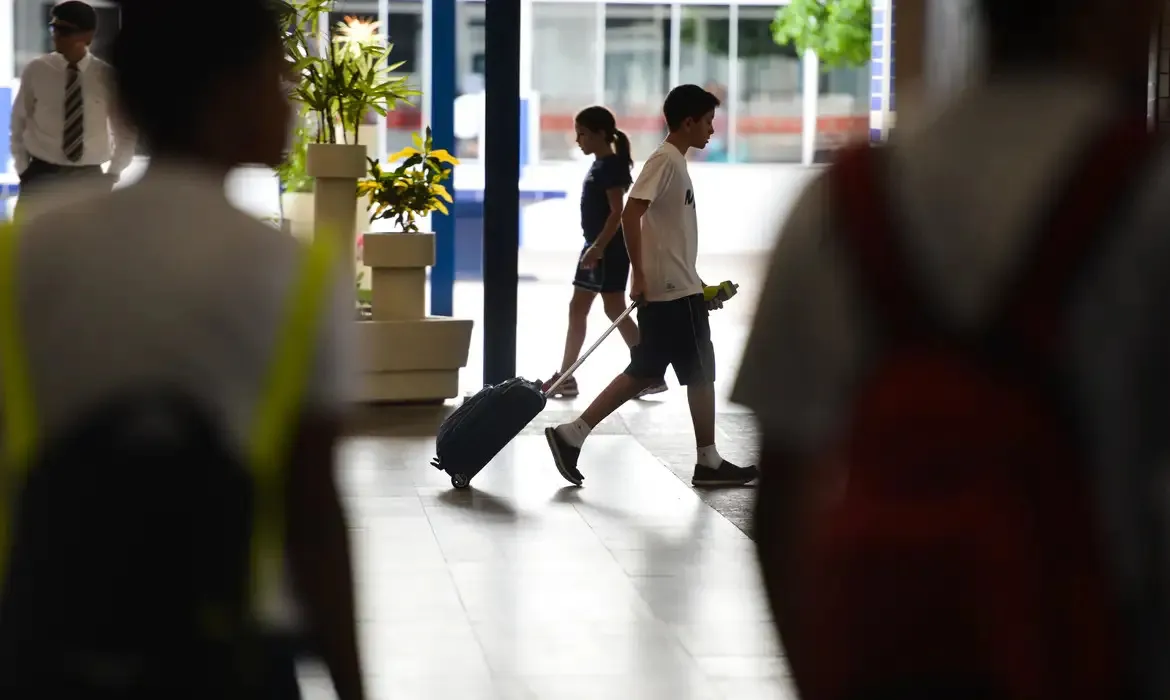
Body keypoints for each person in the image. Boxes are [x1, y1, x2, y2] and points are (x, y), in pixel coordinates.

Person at [735, 0, 1170, 697]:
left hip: (891, 653)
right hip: (1095, 651)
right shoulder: (1151, 196)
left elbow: (783, 503)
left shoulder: (837, 203)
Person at [0, 1, 363, 699]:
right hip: (229, 639)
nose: (289, 101)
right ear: (229, 95)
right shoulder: (293, 272)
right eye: (276, 80)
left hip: (44, 630)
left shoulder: (23, 253)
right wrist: (352, 686)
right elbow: (312, 513)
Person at [545, 84, 759, 488]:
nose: (712, 130)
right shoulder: (665, 160)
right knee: (699, 372)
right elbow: (630, 213)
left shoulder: (674, 162)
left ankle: (572, 435)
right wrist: (639, 275)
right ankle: (708, 461)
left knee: (645, 371)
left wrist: (699, 286)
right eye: (708, 121)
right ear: (688, 122)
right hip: (670, 292)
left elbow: (668, 238)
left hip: (679, 288)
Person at [542, 105, 666, 399]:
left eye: (583, 134)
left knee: (600, 308)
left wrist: (597, 247)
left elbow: (617, 212)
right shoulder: (601, 165)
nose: (578, 140)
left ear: (600, 134)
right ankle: (646, 371)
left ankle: (647, 371)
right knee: (599, 309)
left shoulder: (611, 167)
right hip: (597, 247)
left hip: (605, 250)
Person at [9, 1, 135, 218]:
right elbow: (18, 122)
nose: (57, 36)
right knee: (27, 237)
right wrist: (23, 170)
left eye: (65, 30)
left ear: (87, 36)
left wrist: (112, 175)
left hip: (89, 180)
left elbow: (125, 132)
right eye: (54, 28)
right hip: (41, 176)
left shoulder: (106, 77)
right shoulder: (37, 70)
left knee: (88, 238)